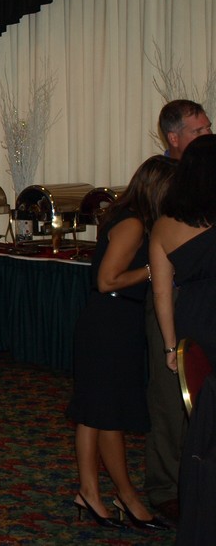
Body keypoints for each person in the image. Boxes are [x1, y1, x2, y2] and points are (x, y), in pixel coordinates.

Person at [66, 155, 176, 531]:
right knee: (100, 414)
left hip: (113, 322)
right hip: (109, 324)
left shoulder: (130, 217)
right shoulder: (132, 224)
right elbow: (107, 280)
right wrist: (152, 269)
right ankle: (109, 495)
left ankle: (103, 493)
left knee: (100, 414)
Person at [144, 99, 213, 521]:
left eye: (207, 129)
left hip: (187, 310)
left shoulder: (189, 191)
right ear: (174, 137)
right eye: (199, 130)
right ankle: (169, 488)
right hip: (182, 308)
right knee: (174, 407)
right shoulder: (159, 174)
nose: (207, 134)